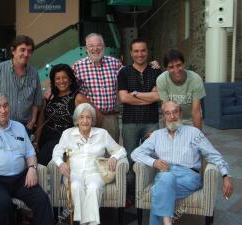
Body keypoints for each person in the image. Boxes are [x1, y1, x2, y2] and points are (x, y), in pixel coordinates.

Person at [131, 101, 234, 225]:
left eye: (175, 112)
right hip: (165, 175)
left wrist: (225, 175)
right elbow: (135, 153)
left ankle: (165, 219)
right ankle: (167, 221)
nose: (172, 116)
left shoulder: (194, 133)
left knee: (158, 190)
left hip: (188, 178)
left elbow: (213, 155)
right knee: (165, 180)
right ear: (163, 116)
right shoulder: (157, 136)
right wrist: (154, 162)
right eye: (168, 113)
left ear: (180, 113)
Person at [0, 92, 54, 225]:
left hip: (20, 178)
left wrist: (32, 168)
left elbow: (30, 154)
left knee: (42, 199)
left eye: (5, 105)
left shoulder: (19, 127)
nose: (3, 110)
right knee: (4, 204)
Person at [52, 103, 127, 225]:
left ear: (93, 120)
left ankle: (84, 223)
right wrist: (61, 163)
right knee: (76, 186)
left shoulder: (101, 134)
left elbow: (121, 150)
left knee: (94, 188)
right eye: (81, 117)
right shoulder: (68, 134)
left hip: (95, 173)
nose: (85, 121)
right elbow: (57, 151)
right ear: (76, 120)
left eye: (88, 117)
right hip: (73, 173)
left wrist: (114, 156)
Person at [34, 64, 100, 166]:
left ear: (70, 80)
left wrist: (87, 138)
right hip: (46, 140)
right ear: (54, 81)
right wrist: (36, 141)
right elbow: (41, 120)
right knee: (40, 165)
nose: (61, 81)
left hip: (66, 142)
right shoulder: (49, 96)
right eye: (58, 78)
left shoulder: (78, 98)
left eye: (64, 78)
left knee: (49, 165)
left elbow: (96, 115)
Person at [0, 35, 43, 134]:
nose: (26, 54)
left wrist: (33, 120)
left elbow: (36, 101)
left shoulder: (34, 73)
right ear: (13, 51)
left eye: (29, 51)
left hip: (24, 128)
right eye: (22, 50)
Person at [118, 37, 161, 165]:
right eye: (136, 51)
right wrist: (150, 97)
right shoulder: (124, 72)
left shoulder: (156, 71)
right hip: (130, 124)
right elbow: (124, 98)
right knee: (130, 158)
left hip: (151, 122)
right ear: (131, 53)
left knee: (152, 158)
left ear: (147, 52)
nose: (140, 54)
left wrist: (135, 95)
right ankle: (131, 185)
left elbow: (158, 96)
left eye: (143, 51)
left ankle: (150, 185)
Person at [73, 33, 122, 142]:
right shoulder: (78, 66)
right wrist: (50, 90)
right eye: (91, 46)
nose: (95, 49)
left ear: (104, 47)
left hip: (110, 118)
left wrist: (149, 66)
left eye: (98, 45)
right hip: (90, 119)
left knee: (111, 153)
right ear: (86, 48)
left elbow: (131, 74)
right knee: (90, 153)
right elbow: (66, 84)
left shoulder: (115, 63)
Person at [156, 49, 205, 130]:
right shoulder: (162, 80)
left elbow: (196, 112)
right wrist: (167, 136)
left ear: (184, 64)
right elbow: (166, 110)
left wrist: (198, 136)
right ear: (166, 69)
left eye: (179, 65)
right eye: (171, 67)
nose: (176, 70)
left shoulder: (195, 79)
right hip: (173, 119)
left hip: (191, 120)